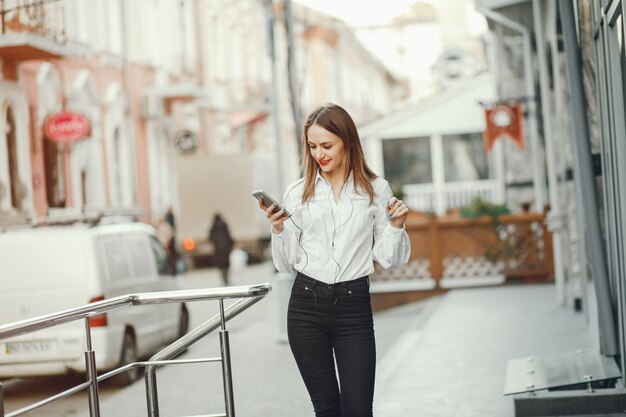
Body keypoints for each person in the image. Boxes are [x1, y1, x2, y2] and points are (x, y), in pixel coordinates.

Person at [258, 103, 411, 417]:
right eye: (312, 146)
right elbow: (286, 264)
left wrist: (396, 227)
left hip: (353, 307)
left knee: (358, 411)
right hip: (305, 307)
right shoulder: (298, 192)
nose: (319, 154)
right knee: (327, 411)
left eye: (327, 145)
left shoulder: (376, 190)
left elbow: (387, 259)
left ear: (348, 142)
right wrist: (278, 227)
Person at [209, 213, 234, 285]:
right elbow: (228, 235)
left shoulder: (213, 226)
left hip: (218, 250)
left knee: (221, 266)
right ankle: (226, 279)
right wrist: (231, 244)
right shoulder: (224, 224)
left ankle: (223, 279)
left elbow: (210, 237)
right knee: (226, 265)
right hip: (226, 248)